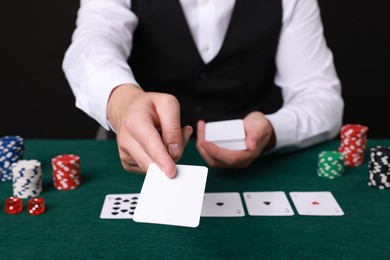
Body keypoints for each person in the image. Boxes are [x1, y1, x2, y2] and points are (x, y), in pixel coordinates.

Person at [63, 0, 344, 178]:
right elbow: (91, 44)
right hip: (127, 163)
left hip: (255, 170)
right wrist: (123, 104)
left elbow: (321, 97)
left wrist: (272, 130)